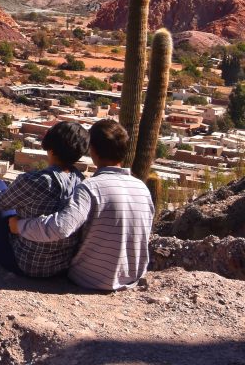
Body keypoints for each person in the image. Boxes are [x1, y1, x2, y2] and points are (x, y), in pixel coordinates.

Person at [10, 119, 154, 291]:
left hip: (90, 279)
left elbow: (60, 228)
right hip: (132, 277)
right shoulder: (142, 188)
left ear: (92, 150)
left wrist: (19, 226)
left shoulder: (91, 187)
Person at [0, 121, 87, 277]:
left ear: (51, 147)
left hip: (24, 264)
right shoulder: (82, 182)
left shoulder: (35, 180)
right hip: (60, 268)